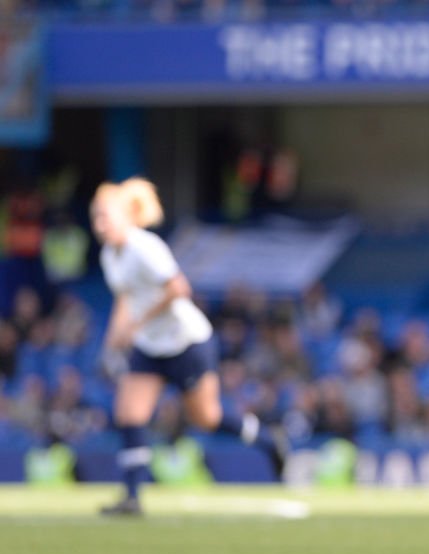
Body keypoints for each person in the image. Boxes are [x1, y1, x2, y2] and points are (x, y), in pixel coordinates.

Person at [92, 178, 289, 515]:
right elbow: (124, 299)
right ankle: (132, 497)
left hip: (186, 341)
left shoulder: (145, 246)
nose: (100, 225)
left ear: (126, 216)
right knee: (129, 413)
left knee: (206, 417)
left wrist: (138, 323)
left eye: (105, 217)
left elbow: (178, 288)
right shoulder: (111, 255)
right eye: (96, 217)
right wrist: (112, 342)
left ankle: (268, 440)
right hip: (150, 346)